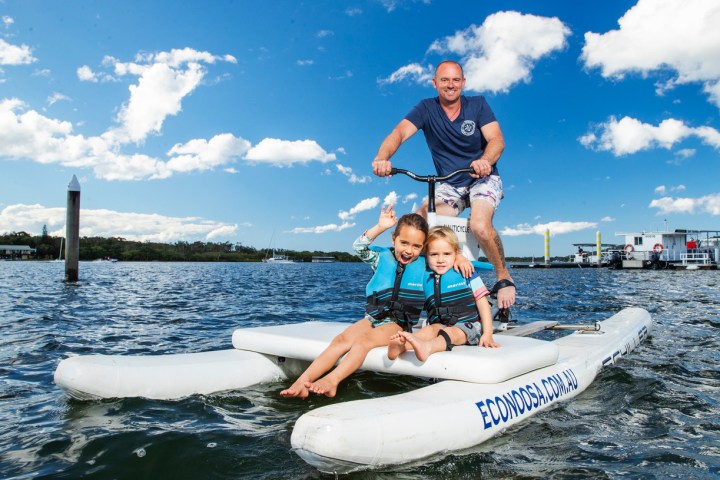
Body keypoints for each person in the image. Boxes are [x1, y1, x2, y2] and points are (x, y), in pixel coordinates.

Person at [372, 59, 516, 310]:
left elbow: (497, 140)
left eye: (456, 80)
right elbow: (399, 133)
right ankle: (407, 284)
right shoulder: (426, 108)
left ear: (463, 82)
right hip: (450, 182)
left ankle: (504, 276)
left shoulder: (478, 104)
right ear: (435, 83)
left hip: (481, 175)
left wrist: (485, 160)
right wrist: (383, 158)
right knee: (417, 221)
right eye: (445, 80)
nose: (451, 85)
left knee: (479, 225)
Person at [388, 226, 500, 362]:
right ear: (426, 255)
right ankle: (402, 346)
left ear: (455, 253)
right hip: (440, 325)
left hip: (471, 327)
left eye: (447, 254)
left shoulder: (466, 272)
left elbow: (482, 302)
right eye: (434, 254)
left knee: (450, 332)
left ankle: (427, 347)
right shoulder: (425, 274)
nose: (440, 259)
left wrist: (488, 333)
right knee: (430, 329)